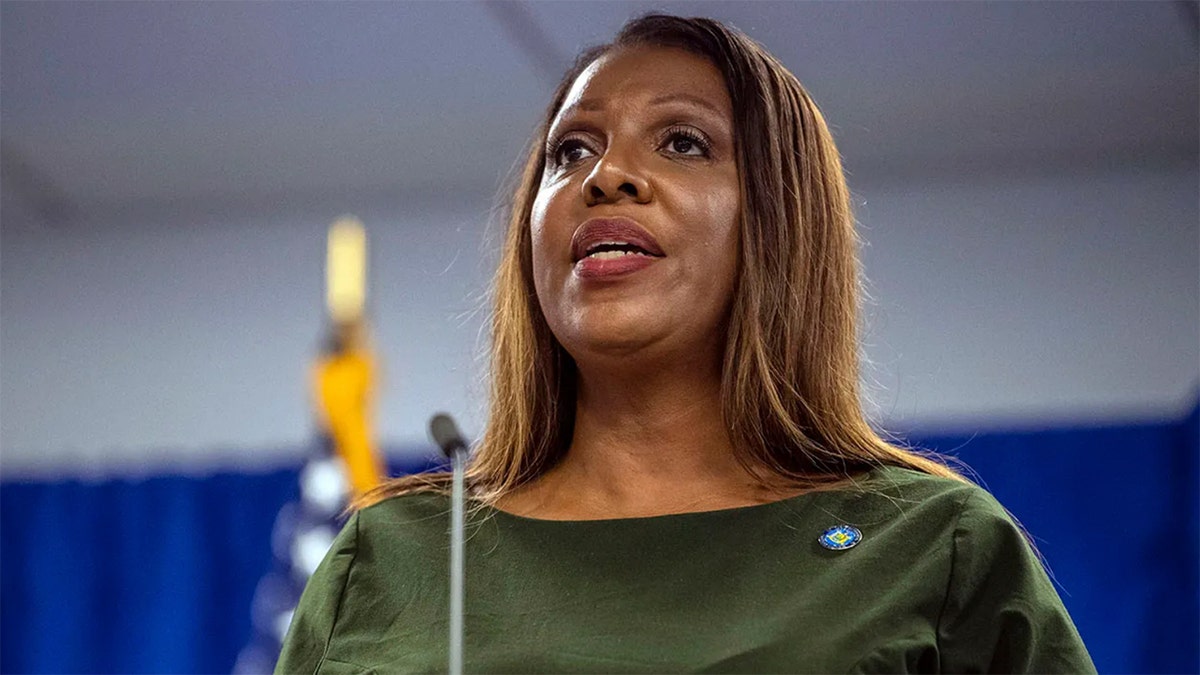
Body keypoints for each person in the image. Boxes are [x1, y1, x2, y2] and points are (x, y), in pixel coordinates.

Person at [276, 14, 1095, 674]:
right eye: (572, 150)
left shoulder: (931, 547)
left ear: (777, 220)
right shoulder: (393, 555)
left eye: (682, 142)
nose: (605, 176)